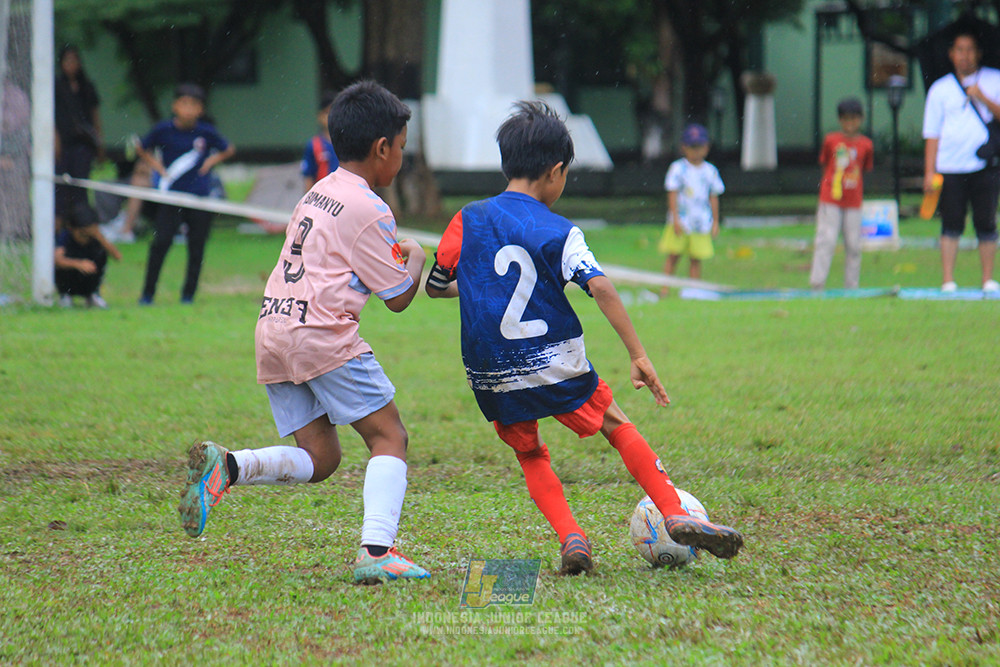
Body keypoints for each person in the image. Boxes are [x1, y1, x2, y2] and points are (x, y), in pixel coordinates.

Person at [425, 101, 743, 575]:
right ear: (555, 172)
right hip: (554, 359)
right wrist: (638, 354)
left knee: (530, 452)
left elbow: (437, 286)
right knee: (616, 425)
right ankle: (674, 513)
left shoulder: (467, 218)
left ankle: (572, 537)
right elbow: (600, 286)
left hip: (490, 370)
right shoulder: (559, 230)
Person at [178, 81, 431, 585]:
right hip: (321, 334)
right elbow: (400, 297)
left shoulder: (318, 191)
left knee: (322, 458)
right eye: (401, 148)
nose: (401, 157)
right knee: (390, 437)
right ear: (383, 148)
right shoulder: (371, 208)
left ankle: (229, 467)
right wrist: (417, 257)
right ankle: (378, 551)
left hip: (274, 328)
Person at [135, 84, 235, 304]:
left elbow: (228, 148)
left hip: (199, 198)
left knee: (196, 247)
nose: (188, 109)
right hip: (170, 197)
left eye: (194, 105)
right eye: (184, 104)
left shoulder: (206, 132)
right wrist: (157, 167)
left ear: (201, 109)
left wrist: (210, 161)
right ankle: (147, 294)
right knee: (160, 243)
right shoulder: (163, 130)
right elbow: (141, 147)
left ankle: (188, 295)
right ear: (175, 106)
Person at [922, 30, 1000, 293]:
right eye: (960, 50)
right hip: (950, 167)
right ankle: (948, 280)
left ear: (978, 53)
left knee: (986, 222)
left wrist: (983, 97)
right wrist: (929, 172)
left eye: (970, 50)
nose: (965, 56)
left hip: (984, 166)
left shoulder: (994, 79)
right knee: (951, 222)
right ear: (951, 54)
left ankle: (987, 279)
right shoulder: (940, 89)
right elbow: (932, 134)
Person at [809, 97, 874, 290]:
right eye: (846, 119)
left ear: (861, 119)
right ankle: (817, 283)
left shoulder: (866, 145)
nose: (850, 123)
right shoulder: (831, 140)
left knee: (854, 244)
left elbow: (864, 168)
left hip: (853, 201)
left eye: (854, 119)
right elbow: (825, 164)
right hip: (830, 199)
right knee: (826, 240)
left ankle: (851, 286)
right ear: (840, 120)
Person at [659, 123, 725, 292]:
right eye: (692, 147)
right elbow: (672, 193)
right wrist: (675, 218)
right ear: (684, 147)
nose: (696, 152)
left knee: (696, 258)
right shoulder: (678, 169)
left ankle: (694, 289)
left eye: (700, 147)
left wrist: (715, 221)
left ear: (706, 148)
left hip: (701, 221)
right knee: (673, 255)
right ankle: (665, 288)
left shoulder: (710, 171)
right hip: (682, 220)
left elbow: (713, 196)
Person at [54, 45, 103, 230]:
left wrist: (99, 143)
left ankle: (82, 225)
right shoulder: (56, 86)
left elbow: (95, 115)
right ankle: (59, 225)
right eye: (68, 60)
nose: (72, 65)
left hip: (83, 144)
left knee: (80, 187)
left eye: (75, 60)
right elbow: (51, 115)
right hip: (64, 143)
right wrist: (55, 139)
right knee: (60, 187)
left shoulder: (86, 86)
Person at [55, 202, 122, 308]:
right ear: (71, 228)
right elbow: (57, 260)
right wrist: (78, 264)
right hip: (69, 278)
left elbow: (118, 257)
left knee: (101, 253)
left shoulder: (96, 238)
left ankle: (92, 294)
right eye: (82, 233)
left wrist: (98, 236)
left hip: (89, 280)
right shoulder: (65, 237)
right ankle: (65, 295)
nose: (85, 238)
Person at [301, 90, 339, 191]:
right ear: (320, 116)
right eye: (327, 113)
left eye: (334, 112)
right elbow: (308, 178)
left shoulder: (348, 143)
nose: (331, 117)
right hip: (322, 197)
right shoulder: (314, 145)